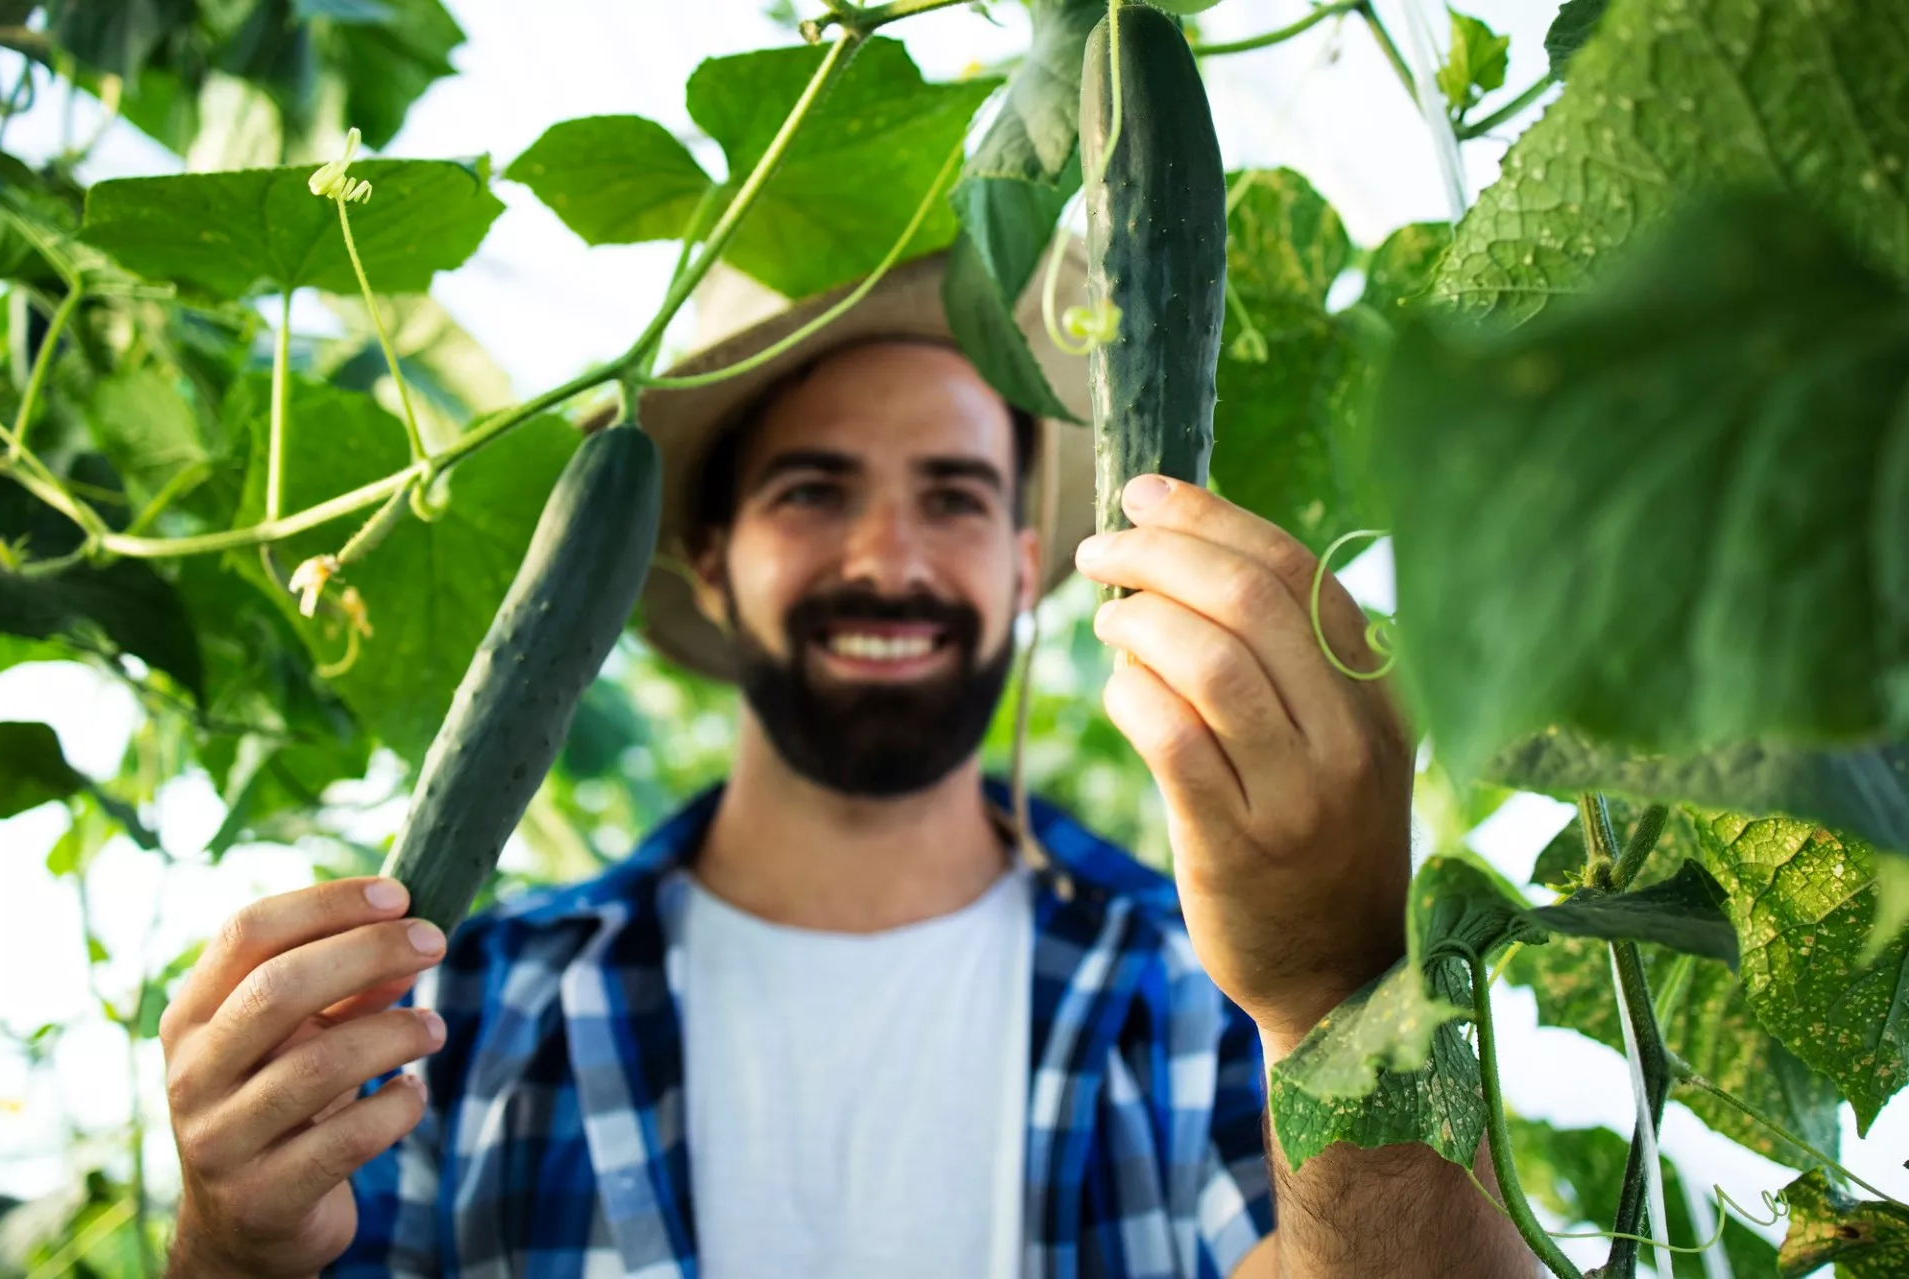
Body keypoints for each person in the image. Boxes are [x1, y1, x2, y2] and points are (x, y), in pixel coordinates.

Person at [156, 243, 1535, 1278]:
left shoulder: (1199, 997)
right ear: (710, 554)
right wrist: (227, 1245)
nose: (888, 556)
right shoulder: (460, 1015)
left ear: (1025, 563)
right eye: (815, 490)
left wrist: (1337, 993)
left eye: (953, 495)